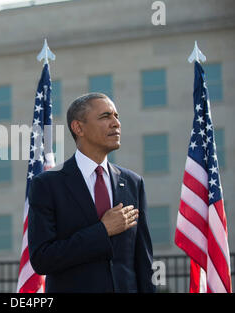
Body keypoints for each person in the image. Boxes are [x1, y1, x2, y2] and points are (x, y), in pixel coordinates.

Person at [28, 92, 155, 293]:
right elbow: (42, 259)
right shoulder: (47, 185)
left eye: (116, 116)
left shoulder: (133, 183)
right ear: (78, 128)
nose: (116, 123)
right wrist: (102, 231)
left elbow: (143, 261)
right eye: (105, 116)